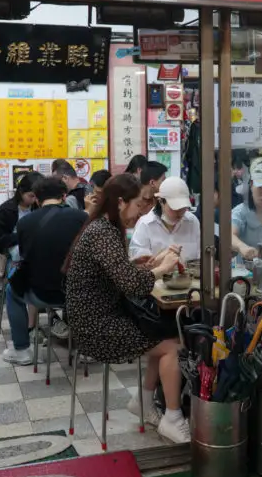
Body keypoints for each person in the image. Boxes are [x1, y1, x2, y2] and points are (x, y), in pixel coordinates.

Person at [65, 173, 190, 444]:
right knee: (172, 345)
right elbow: (132, 286)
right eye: (138, 205)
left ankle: (143, 402)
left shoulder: (104, 227)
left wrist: (144, 264)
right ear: (121, 202)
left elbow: (119, 277)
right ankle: (173, 417)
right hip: (96, 326)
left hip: (101, 315)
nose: (140, 212)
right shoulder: (103, 232)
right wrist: (161, 268)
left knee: (163, 333)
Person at [3, 176, 87, 366]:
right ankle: (87, 349)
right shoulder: (82, 218)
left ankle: (22, 350)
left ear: (37, 199)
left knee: (11, 291)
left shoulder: (24, 223)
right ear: (64, 196)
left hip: (40, 294)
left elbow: (25, 257)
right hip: (76, 294)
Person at [130, 176, 200, 265]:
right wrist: (161, 257)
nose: (179, 213)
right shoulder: (145, 225)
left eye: (183, 208)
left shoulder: (192, 222)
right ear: (161, 202)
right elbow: (140, 266)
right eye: (174, 208)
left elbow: (199, 259)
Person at [0, 172, 38, 254]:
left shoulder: (38, 207)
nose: (34, 200)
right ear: (21, 191)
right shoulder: (7, 210)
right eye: (31, 196)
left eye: (37, 196)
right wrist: (21, 236)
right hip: (11, 257)